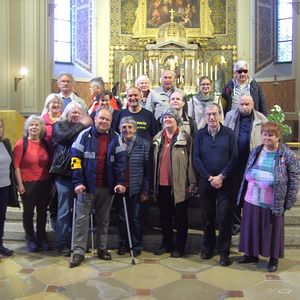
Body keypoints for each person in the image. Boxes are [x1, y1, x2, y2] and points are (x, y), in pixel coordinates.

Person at [237, 122, 300, 272]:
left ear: (278, 137)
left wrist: (289, 201)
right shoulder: (256, 151)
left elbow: (295, 178)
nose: (267, 137)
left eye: (270, 135)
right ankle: (251, 254)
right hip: (252, 197)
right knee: (251, 227)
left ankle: (273, 258)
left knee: (272, 229)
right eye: (264, 134)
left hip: (273, 200)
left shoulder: (287, 154)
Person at [69, 108, 127, 268]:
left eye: (107, 120)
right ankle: (79, 252)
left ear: (110, 122)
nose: (104, 122)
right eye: (101, 118)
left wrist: (121, 182)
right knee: (81, 220)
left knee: (104, 220)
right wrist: (78, 182)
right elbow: (75, 159)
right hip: (86, 187)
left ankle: (102, 248)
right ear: (95, 119)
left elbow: (121, 162)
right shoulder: (84, 135)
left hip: (106, 187)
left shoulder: (116, 138)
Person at [193, 103, 237, 266]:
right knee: (207, 217)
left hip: (225, 183)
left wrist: (221, 176)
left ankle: (224, 252)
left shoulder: (229, 134)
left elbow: (234, 158)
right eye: (208, 114)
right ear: (204, 117)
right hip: (206, 182)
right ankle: (208, 247)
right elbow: (196, 158)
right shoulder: (200, 135)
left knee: (224, 217)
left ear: (220, 115)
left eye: (214, 114)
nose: (211, 117)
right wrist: (210, 177)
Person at [153, 108, 196, 257]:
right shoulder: (157, 138)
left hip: (179, 185)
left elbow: (191, 162)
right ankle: (167, 243)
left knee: (180, 218)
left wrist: (192, 182)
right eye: (165, 117)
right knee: (165, 217)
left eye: (170, 117)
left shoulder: (186, 139)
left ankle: (180, 246)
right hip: (161, 185)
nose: (167, 120)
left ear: (176, 120)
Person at [50, 102, 92, 256]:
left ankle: (78, 244)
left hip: (81, 175)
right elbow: (64, 137)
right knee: (64, 211)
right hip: (64, 174)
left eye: (79, 112)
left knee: (81, 213)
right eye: (73, 112)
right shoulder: (59, 125)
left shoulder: (87, 129)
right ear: (66, 113)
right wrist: (82, 123)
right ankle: (63, 244)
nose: (76, 115)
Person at [224, 94, 268, 235]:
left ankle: (250, 223)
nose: (244, 107)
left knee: (251, 193)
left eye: (247, 104)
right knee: (235, 192)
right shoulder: (231, 116)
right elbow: (224, 134)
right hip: (234, 162)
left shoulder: (261, 119)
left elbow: (267, 140)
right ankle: (236, 222)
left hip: (253, 163)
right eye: (242, 104)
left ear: (253, 104)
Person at [14, 116, 52, 252]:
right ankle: (30, 238)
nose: (34, 127)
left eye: (37, 125)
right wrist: (20, 184)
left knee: (42, 212)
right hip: (28, 183)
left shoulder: (45, 143)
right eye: (31, 125)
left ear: (41, 128)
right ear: (27, 128)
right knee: (28, 212)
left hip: (45, 183)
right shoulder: (21, 143)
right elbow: (16, 166)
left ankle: (41, 237)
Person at [116, 117, 150, 257]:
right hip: (120, 187)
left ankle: (136, 244)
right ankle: (123, 243)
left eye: (130, 127)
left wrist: (145, 191)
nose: (127, 130)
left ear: (135, 129)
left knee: (135, 218)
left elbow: (147, 170)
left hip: (137, 187)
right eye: (124, 127)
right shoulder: (116, 143)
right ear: (119, 129)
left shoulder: (144, 144)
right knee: (122, 218)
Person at [0, 119, 19, 257]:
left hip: (5, 186)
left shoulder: (6, 143)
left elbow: (11, 165)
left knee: (1, 217)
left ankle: (0, 245)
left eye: (0, 126)